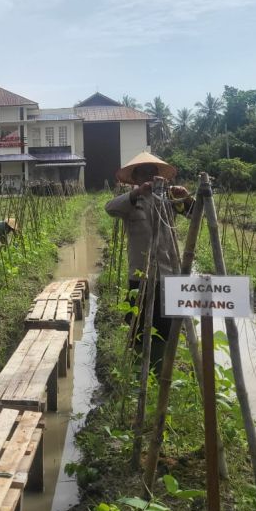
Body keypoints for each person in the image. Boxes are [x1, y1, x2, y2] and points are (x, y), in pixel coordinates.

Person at [105, 152, 192, 368]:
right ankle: (138, 369)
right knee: (139, 328)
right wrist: (137, 194)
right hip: (140, 276)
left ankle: (161, 368)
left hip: (168, 274)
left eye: (152, 173)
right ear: (135, 179)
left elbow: (195, 214)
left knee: (166, 328)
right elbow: (110, 208)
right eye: (143, 174)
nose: (149, 178)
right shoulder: (131, 202)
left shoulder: (170, 198)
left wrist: (186, 197)